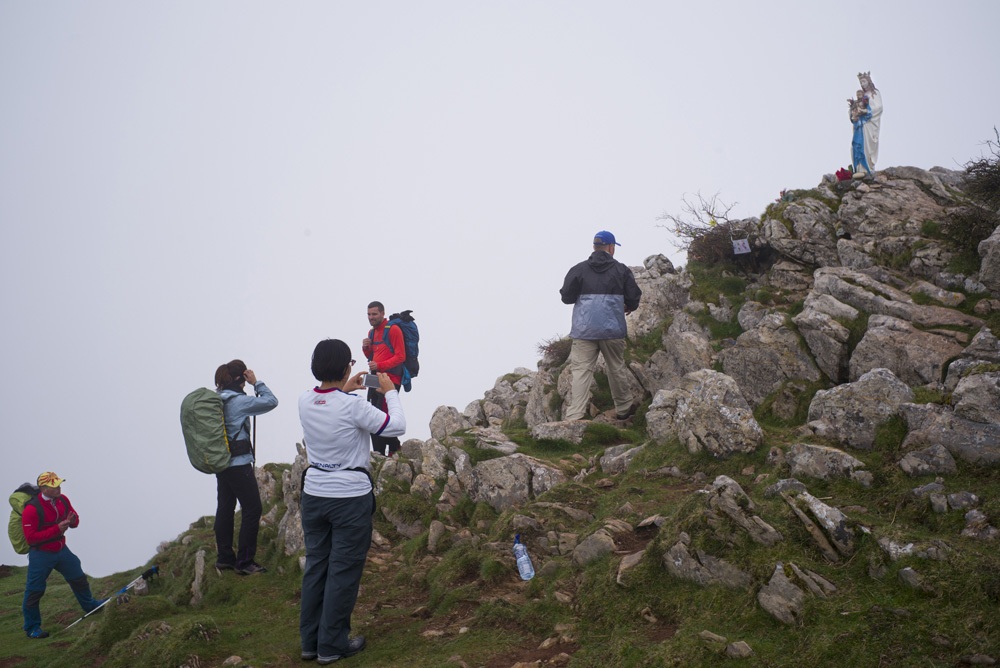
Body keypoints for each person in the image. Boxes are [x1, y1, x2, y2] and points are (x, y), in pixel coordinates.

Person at [297, 338, 405, 664]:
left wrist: (344, 387)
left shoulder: (304, 400)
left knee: (317, 567)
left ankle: (310, 642)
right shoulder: (353, 406)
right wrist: (390, 392)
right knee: (342, 571)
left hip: (314, 494)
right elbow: (396, 425)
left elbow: (329, 401)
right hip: (349, 498)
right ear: (347, 367)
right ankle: (331, 646)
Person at [559, 230, 642, 421]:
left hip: (584, 330)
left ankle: (574, 416)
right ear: (611, 248)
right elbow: (634, 297)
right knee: (616, 368)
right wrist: (628, 305)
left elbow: (566, 297)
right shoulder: (621, 270)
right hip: (612, 330)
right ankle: (623, 409)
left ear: (594, 247)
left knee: (581, 372)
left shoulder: (578, 269)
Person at [213, 359, 278, 575]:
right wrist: (256, 383)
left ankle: (225, 558)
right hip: (239, 464)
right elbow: (271, 401)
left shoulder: (217, 400)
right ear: (241, 378)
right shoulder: (239, 401)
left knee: (225, 508)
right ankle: (245, 562)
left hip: (222, 463)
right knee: (252, 509)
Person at [21, 472, 104, 639]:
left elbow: (76, 521)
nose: (59, 487)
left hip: (60, 549)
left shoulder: (63, 500)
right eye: (54, 485)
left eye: (59, 483)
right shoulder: (31, 509)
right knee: (35, 590)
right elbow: (31, 538)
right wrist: (57, 529)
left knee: (78, 575)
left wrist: (72, 521)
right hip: (40, 554)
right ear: (44, 489)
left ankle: (90, 606)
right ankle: (32, 628)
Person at [361, 301, 406, 456]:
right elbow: (372, 357)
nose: (371, 317)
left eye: (374, 314)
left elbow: (401, 356)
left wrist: (379, 365)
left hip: (390, 379)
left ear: (382, 313)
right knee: (371, 415)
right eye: (369, 314)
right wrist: (366, 349)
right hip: (375, 378)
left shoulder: (393, 330)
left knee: (381, 417)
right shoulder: (372, 333)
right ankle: (389, 450)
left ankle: (384, 452)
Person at [848, 71, 883, 178]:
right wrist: (853, 111)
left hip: (869, 124)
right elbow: (853, 111)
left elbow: (879, 107)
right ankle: (858, 168)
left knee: (867, 145)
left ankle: (867, 168)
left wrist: (866, 111)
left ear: (869, 81)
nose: (862, 84)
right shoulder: (861, 97)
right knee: (857, 144)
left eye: (863, 81)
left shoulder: (874, 93)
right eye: (860, 82)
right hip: (859, 125)